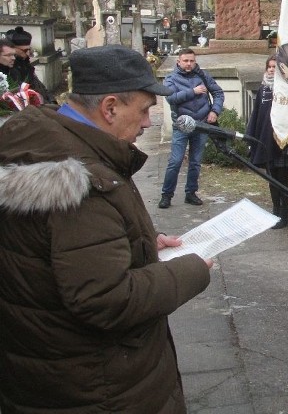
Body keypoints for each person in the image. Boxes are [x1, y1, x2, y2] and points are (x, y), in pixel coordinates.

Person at [0, 45, 211, 413]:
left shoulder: (48, 141)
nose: (147, 122)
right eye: (144, 110)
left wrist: (143, 243)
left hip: (48, 370)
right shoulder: (78, 183)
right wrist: (191, 269)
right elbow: (106, 299)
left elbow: (70, 253)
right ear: (110, 107)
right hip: (99, 386)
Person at [246, 56, 288, 229]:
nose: (272, 69)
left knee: (281, 177)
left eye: (275, 67)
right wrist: (251, 138)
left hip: (282, 140)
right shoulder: (264, 88)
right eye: (270, 66)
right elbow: (256, 114)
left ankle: (284, 212)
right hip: (265, 139)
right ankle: (275, 210)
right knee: (271, 177)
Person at [158, 48, 225, 208]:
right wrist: (192, 92)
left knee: (195, 162)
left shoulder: (202, 75)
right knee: (175, 161)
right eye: (185, 61)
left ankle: (191, 193)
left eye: (191, 61)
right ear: (178, 62)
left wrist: (215, 111)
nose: (189, 64)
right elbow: (171, 99)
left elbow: (218, 93)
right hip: (181, 125)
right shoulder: (170, 79)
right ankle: (166, 195)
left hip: (201, 124)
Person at [4, 26, 52, 102]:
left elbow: (38, 85)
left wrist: (51, 101)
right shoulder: (9, 68)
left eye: (29, 49)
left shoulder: (26, 64)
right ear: (14, 49)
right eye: (25, 50)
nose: (28, 53)